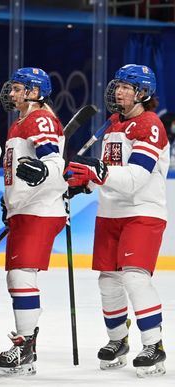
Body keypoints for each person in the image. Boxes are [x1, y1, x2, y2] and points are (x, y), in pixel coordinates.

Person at [65, 64, 168, 378]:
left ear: (142, 92)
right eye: (118, 85)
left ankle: (153, 345)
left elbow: (135, 177)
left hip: (142, 211)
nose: (118, 91)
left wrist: (98, 172)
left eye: (127, 87)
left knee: (135, 278)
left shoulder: (150, 125)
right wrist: (82, 183)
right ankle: (117, 341)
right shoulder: (111, 127)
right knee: (108, 281)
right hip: (110, 212)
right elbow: (107, 175)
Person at [0, 67, 67, 377]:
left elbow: (52, 162)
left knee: (22, 276)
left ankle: (25, 348)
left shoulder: (40, 119)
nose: (11, 93)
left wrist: (45, 172)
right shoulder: (20, 123)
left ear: (34, 92)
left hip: (40, 209)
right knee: (16, 277)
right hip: (25, 209)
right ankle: (25, 345)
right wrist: (10, 201)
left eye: (18, 88)